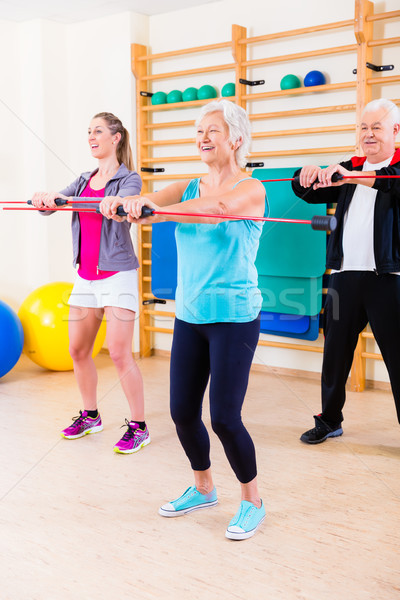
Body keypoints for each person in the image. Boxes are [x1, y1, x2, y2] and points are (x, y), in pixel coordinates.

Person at [102, 100, 266, 540]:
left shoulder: (252, 189)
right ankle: (204, 487)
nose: (203, 138)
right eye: (198, 131)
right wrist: (125, 202)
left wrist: (155, 212)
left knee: (226, 417)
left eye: (212, 130)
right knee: (181, 412)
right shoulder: (188, 185)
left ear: (235, 138)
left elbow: (219, 208)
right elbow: (151, 197)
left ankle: (252, 500)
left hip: (234, 317)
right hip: (191, 315)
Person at [31, 112, 150, 455]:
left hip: (118, 274)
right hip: (86, 274)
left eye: (98, 131)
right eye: (88, 132)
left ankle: (139, 426)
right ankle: (91, 415)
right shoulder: (84, 180)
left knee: (118, 352)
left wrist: (118, 204)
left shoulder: (129, 179)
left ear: (115, 138)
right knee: (78, 351)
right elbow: (53, 204)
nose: (91, 137)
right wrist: (44, 198)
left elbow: (126, 204)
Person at [291, 98, 400, 444]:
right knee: (334, 353)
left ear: (395, 131)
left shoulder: (388, 169)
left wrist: (348, 175)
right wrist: (305, 175)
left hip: (389, 278)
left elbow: (389, 182)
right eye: (363, 127)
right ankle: (329, 419)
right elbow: (305, 192)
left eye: (377, 127)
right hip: (344, 276)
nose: (368, 134)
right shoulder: (349, 166)